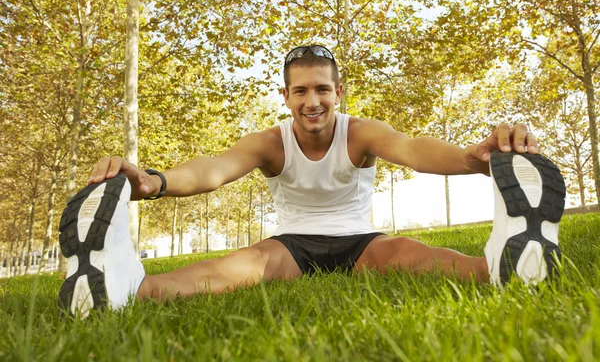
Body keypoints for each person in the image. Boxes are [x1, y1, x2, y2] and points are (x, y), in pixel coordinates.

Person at [58, 45, 566, 317]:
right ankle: (121, 286)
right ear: (285, 95)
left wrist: (475, 159)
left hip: (362, 243)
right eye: (300, 91)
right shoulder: (269, 142)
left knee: (408, 253)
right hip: (291, 246)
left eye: (322, 88)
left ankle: (504, 264)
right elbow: (212, 170)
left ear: (338, 90)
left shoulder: (362, 131)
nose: (312, 101)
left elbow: (412, 151)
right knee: (237, 267)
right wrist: (154, 180)